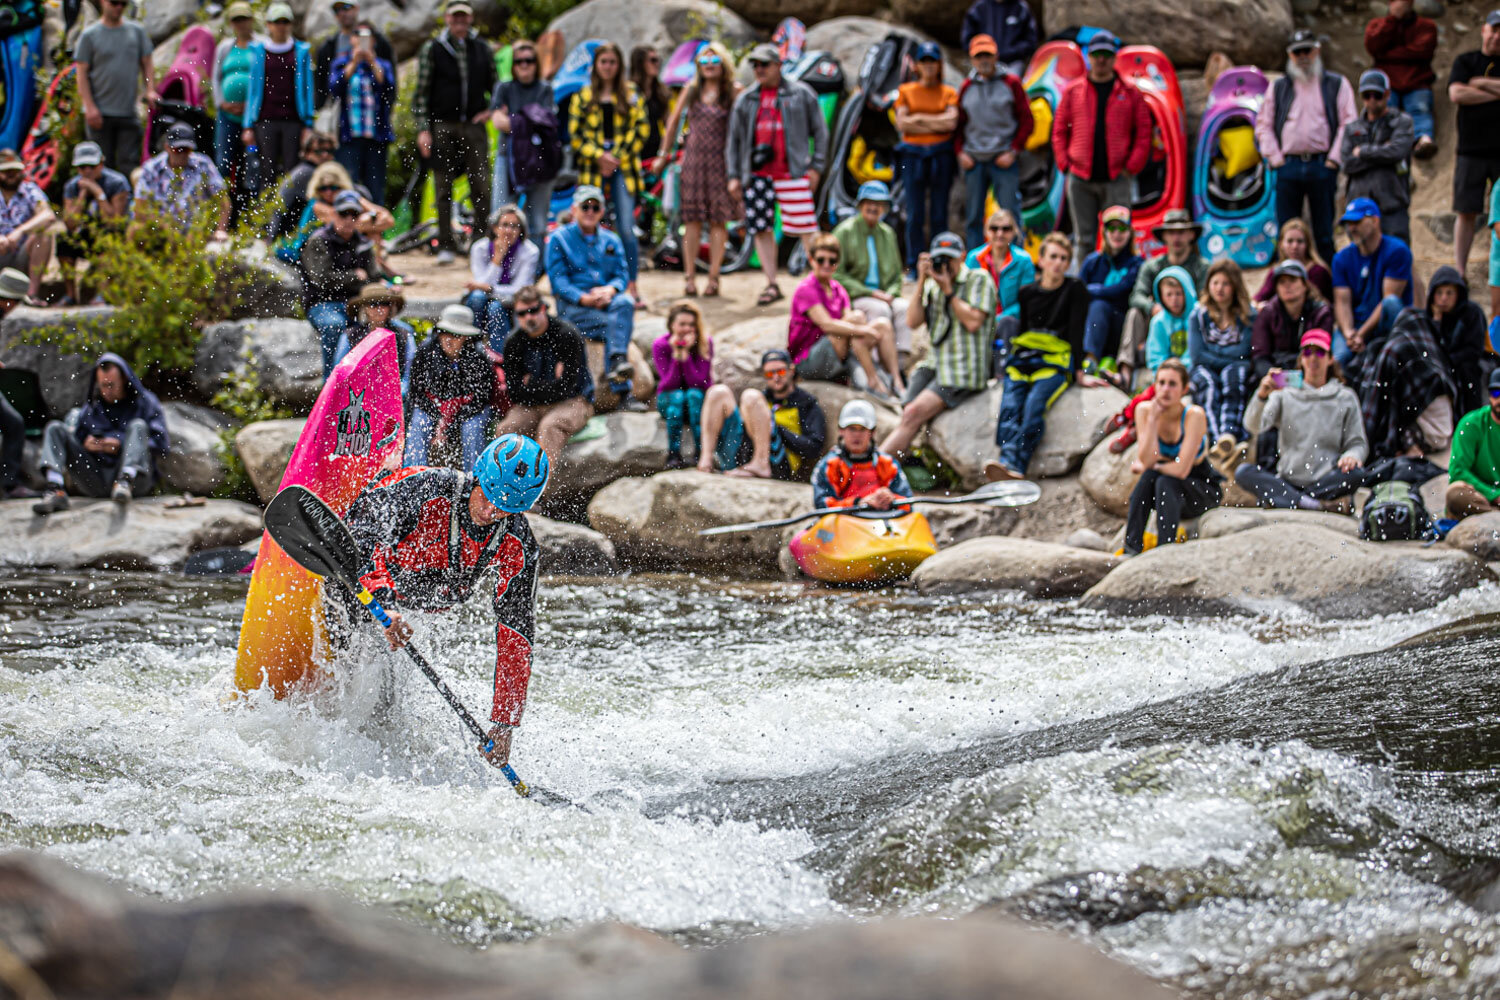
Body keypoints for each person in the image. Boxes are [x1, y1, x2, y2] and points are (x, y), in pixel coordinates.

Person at [342, 433, 547, 768]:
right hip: (368, 589)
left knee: (381, 705)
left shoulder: (518, 543)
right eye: (489, 496)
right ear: (479, 475)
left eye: (506, 507)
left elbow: (517, 636)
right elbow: (362, 529)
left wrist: (505, 723)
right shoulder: (425, 486)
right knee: (352, 665)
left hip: (421, 605)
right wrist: (382, 602)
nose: (492, 509)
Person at [726, 42, 828, 307]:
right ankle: (772, 283)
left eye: (764, 64)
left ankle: (821, 283)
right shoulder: (747, 98)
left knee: (806, 227)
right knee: (761, 228)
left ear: (778, 65)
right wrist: (734, 175)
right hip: (757, 174)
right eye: (755, 65)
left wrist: (816, 166)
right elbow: (734, 140)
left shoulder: (801, 93)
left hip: (792, 172)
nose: (759, 69)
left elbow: (820, 132)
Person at [880, 231, 997, 457]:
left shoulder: (979, 279)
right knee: (906, 411)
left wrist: (948, 291)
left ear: (962, 257)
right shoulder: (932, 284)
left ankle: (871, 469)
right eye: (939, 258)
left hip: (963, 370)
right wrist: (922, 281)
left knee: (913, 413)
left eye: (949, 259)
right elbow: (912, 321)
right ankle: (902, 462)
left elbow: (973, 322)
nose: (945, 265)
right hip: (934, 365)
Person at [987, 232, 1090, 481]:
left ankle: (1018, 464)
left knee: (1034, 406)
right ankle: (1006, 460)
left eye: (1064, 259)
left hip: (1055, 361)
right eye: (1053, 257)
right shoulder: (1027, 293)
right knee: (1011, 404)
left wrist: (1078, 371)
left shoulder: (1075, 290)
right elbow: (1023, 332)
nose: (1058, 263)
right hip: (1024, 360)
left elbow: (1076, 332)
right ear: (1041, 260)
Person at [1235, 328, 1369, 513]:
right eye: (1307, 352)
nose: (1313, 358)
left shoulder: (1345, 397)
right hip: (1288, 479)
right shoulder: (1283, 393)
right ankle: (1311, 503)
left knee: (1357, 474)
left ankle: (1290, 500)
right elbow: (1253, 426)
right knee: (1243, 472)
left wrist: (1351, 456)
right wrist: (1261, 396)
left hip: (1325, 481)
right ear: (1301, 359)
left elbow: (1358, 444)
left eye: (1320, 352)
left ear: (1330, 359)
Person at [1254, 29, 1357, 265]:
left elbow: (1348, 123)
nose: (1303, 56)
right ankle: (1287, 281)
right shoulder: (1279, 87)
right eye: (1297, 52)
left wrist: (1334, 160)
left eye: (1307, 50)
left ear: (1317, 51)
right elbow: (1263, 124)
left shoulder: (1335, 84)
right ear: (1289, 55)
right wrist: (1276, 158)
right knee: (1287, 235)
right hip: (1287, 166)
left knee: (1324, 233)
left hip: (1322, 164)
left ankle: (1331, 283)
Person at [1052, 31, 1151, 267]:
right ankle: (1084, 290)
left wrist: (1132, 166)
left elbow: (1144, 132)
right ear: (1089, 56)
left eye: (1107, 54)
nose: (1102, 60)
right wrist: (1065, 164)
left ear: (1114, 57)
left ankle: (1120, 284)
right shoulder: (1074, 91)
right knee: (1083, 238)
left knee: (1119, 237)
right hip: (1080, 177)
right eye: (1097, 54)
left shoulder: (1129, 92)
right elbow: (1059, 129)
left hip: (1117, 177)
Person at [32, 353, 169, 514]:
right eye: (103, 385)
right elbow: (75, 439)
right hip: (95, 479)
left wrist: (121, 444)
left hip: (135, 482)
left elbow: (161, 443)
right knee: (55, 428)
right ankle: (55, 489)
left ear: (125, 379)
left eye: (112, 385)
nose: (107, 390)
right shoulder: (92, 409)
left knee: (138, 426)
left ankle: (125, 480)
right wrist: (87, 443)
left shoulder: (146, 403)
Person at [413, 0, 496, 265]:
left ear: (470, 19)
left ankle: (480, 242)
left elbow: (495, 86)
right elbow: (421, 94)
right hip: (442, 124)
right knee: (442, 186)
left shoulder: (482, 49)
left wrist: (491, 111)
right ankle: (445, 243)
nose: (460, 21)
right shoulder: (434, 49)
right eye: (455, 16)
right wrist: (423, 129)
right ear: (448, 19)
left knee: (481, 183)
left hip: (474, 124)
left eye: (464, 17)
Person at [654, 42, 738, 298]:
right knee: (691, 219)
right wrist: (663, 155)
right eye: (704, 62)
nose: (709, 67)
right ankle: (689, 277)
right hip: (693, 161)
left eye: (715, 62)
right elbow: (672, 123)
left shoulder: (733, 91)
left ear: (723, 64)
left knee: (718, 220)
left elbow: (742, 128)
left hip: (721, 162)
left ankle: (713, 278)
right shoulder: (692, 90)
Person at [544, 184, 641, 407]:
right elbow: (558, 282)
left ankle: (617, 363)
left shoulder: (611, 239)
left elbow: (622, 275)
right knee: (615, 327)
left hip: (606, 302)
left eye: (595, 207)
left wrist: (611, 290)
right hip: (575, 308)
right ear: (574, 209)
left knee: (625, 301)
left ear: (601, 211)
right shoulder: (559, 239)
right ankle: (622, 389)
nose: (590, 211)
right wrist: (584, 298)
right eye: (585, 206)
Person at [1121, 358, 1220, 554]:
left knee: (1163, 480)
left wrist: (1154, 466)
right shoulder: (1145, 411)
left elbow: (1181, 470)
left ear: (1184, 390)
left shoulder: (1194, 415)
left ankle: (1165, 550)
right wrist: (1152, 421)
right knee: (1150, 479)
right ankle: (1131, 547)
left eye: (1173, 384)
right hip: (1168, 492)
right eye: (1162, 383)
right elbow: (1148, 460)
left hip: (1200, 489)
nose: (1166, 389)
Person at [569, 42, 647, 292]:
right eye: (604, 62)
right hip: (592, 167)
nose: (608, 67)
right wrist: (599, 156)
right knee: (587, 223)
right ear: (596, 65)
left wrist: (613, 157)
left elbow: (641, 130)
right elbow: (575, 135)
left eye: (613, 62)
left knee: (625, 227)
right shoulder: (583, 95)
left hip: (624, 167)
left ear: (619, 65)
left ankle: (631, 283)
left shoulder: (632, 93)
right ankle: (588, 281)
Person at [789, 232, 905, 399]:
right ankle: (873, 380)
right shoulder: (806, 289)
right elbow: (827, 325)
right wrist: (864, 331)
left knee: (883, 324)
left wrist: (863, 331)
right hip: (808, 361)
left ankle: (896, 380)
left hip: (838, 353)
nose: (826, 265)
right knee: (857, 321)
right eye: (821, 260)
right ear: (811, 259)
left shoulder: (838, 288)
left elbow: (851, 324)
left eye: (832, 261)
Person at [497, 286, 594, 470]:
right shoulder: (513, 342)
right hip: (531, 405)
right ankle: (502, 490)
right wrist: (550, 385)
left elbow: (568, 388)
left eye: (533, 311)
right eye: (522, 313)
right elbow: (516, 393)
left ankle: (539, 494)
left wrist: (531, 383)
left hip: (574, 402)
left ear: (543, 308)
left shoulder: (567, 335)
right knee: (506, 429)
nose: (529, 317)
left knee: (549, 427)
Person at [698, 348, 826, 480]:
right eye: (770, 374)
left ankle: (760, 464)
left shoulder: (806, 404)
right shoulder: (762, 399)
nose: (776, 377)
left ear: (791, 371)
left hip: (778, 464)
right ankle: (706, 459)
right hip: (743, 454)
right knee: (718, 392)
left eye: (780, 371)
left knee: (750, 396)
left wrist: (776, 429)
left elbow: (814, 448)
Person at [956, 33, 1033, 250]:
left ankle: (1017, 261)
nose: (983, 60)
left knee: (1011, 214)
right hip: (974, 160)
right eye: (979, 56)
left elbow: (1027, 121)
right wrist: (960, 152)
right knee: (973, 216)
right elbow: (958, 125)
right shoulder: (966, 87)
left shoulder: (1011, 83)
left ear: (996, 56)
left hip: (1003, 159)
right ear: (972, 59)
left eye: (987, 55)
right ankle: (974, 266)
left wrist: (1014, 151)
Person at [894, 42, 960, 276]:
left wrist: (918, 118)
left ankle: (939, 261)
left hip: (941, 154)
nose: (929, 66)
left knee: (939, 213)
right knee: (915, 213)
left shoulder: (948, 91)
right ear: (917, 65)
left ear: (939, 64)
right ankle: (914, 264)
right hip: (912, 155)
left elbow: (951, 123)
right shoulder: (906, 91)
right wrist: (935, 120)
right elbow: (902, 123)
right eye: (925, 61)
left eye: (933, 61)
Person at [1122, 212, 1207, 390]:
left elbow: (1205, 299)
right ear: (1164, 236)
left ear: (1191, 235)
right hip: (1159, 323)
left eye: (1181, 232)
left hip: (1189, 323)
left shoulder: (1203, 267)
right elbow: (1136, 296)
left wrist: (1184, 307)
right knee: (1134, 314)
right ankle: (1125, 371)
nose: (1176, 237)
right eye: (1171, 232)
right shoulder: (1151, 266)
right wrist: (1153, 307)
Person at [406, 304, 496, 473]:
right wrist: (438, 416)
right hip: (431, 406)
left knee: (473, 428)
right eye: (444, 332)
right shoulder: (425, 353)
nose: (449, 339)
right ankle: (412, 476)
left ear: (467, 337)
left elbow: (481, 398)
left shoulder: (479, 358)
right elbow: (416, 392)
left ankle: (475, 479)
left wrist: (454, 420)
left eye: (455, 334)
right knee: (420, 423)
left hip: (468, 411)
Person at [488, 37, 558, 251]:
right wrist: (527, 120)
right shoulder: (504, 88)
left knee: (537, 221)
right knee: (501, 215)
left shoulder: (545, 88)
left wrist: (514, 121)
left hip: (540, 159)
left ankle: (531, 276)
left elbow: (545, 122)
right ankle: (498, 269)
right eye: (519, 61)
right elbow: (498, 121)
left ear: (536, 63)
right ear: (513, 65)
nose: (524, 65)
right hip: (507, 158)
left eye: (529, 60)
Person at [302, 190, 383, 374]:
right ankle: (331, 386)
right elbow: (321, 280)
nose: (348, 219)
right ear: (334, 214)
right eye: (343, 213)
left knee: (381, 327)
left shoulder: (363, 243)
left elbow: (373, 279)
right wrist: (354, 276)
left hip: (355, 306)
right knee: (334, 326)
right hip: (323, 305)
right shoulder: (319, 240)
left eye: (353, 214)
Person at [833, 181, 914, 363]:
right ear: (861, 205)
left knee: (903, 308)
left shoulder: (887, 233)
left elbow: (896, 274)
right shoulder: (844, 232)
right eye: (869, 202)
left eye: (879, 204)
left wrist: (891, 293)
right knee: (880, 309)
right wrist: (871, 293)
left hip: (884, 294)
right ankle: (877, 362)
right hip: (857, 295)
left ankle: (901, 363)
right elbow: (837, 275)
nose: (873, 207)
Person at [73, 0, 155, 175]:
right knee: (101, 168)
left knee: (129, 165)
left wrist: (150, 89)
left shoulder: (136, 31)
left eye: (123, 4)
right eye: (114, 3)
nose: (119, 7)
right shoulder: (89, 35)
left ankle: (129, 201)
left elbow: (147, 63)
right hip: (99, 113)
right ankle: (100, 202)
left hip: (128, 112)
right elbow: (81, 74)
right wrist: (89, 107)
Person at [1330, 196, 1412, 371]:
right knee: (1337, 361)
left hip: (1387, 324)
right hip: (1356, 327)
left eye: (1357, 222)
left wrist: (1362, 334)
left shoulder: (1397, 251)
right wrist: (1349, 333)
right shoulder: (1341, 259)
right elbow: (1342, 302)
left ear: (1375, 221)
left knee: (1391, 303)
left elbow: (1389, 301)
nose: (1352, 228)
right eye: (1348, 223)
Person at [1447, 10, 1500, 275]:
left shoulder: (1477, 73)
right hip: (1470, 150)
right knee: (1465, 211)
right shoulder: (1466, 61)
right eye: (1494, 29)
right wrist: (1495, 90)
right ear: (1484, 30)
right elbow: (1456, 93)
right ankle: (1460, 270)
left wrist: (1480, 84)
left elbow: (1467, 91)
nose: (1497, 36)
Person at [1341, 69, 1415, 247]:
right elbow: (1347, 163)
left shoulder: (1402, 122)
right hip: (1359, 209)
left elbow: (1397, 152)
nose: (1372, 99)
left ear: (1387, 94)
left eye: (1377, 94)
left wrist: (1364, 152)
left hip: (1392, 206)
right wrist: (1383, 152)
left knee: (1398, 260)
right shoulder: (1352, 128)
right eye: (1367, 95)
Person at [240, 3, 315, 179]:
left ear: (290, 24)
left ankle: (290, 206)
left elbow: (307, 89)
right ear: (268, 25)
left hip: (293, 119)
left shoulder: (301, 51)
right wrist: (247, 125)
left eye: (285, 22)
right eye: (276, 22)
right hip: (265, 118)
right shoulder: (259, 51)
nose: (281, 26)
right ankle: (266, 206)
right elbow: (252, 91)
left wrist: (309, 124)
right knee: (266, 169)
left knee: (292, 170)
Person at [1187, 258, 1255, 446]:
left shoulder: (1248, 315)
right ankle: (1215, 439)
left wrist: (1214, 353)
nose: (1220, 288)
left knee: (1233, 379)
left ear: (1235, 286)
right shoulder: (1198, 316)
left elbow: (1244, 351)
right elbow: (1197, 355)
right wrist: (1229, 356)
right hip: (1203, 368)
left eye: (1225, 283)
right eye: (1215, 283)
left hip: (1233, 368)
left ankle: (1230, 434)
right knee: (1208, 386)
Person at [328, 24, 395, 205]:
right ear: (352, 39)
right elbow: (335, 88)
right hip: (349, 136)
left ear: (373, 40)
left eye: (367, 35)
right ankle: (349, 227)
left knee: (375, 186)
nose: (361, 38)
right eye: (357, 34)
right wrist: (354, 63)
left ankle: (374, 229)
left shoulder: (383, 64)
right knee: (349, 185)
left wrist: (372, 62)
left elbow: (389, 88)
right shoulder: (341, 62)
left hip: (376, 136)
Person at [58, 141, 130, 305]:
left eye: (92, 165)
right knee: (63, 240)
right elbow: (70, 224)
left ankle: (102, 295)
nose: (88, 171)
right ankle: (71, 295)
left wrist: (98, 193)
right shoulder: (72, 186)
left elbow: (114, 222)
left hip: (111, 235)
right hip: (86, 234)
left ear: (101, 163)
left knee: (108, 237)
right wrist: (82, 196)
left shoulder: (117, 182)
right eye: (83, 167)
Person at [1365, 0, 1438, 159]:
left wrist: (1386, 54)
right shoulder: (1377, 25)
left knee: (1420, 109)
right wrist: (1392, 20)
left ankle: (1423, 140)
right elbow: (1373, 47)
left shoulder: (1426, 26)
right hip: (1388, 83)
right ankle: (1384, 141)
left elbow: (1422, 52)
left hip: (1417, 81)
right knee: (1384, 108)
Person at [1078, 204, 1141, 385]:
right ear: (1104, 232)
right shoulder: (1092, 262)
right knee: (1094, 308)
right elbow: (1077, 294)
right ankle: (1090, 360)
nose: (1116, 233)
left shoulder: (1136, 263)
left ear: (1130, 232)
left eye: (1122, 228)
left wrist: (1093, 290)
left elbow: (1123, 289)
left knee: (1100, 305)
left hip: (1119, 327)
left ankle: (1098, 360)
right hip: (1091, 327)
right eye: (1111, 228)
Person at [131, 124, 230, 239]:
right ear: (167, 147)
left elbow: (223, 200)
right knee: (136, 230)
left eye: (187, 150)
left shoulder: (203, 164)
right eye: (178, 150)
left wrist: (221, 230)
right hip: (161, 229)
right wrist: (164, 226)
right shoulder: (152, 168)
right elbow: (140, 208)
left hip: (196, 229)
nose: (182, 154)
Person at [813, 399, 913, 510]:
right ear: (841, 431)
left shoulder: (887, 463)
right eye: (852, 429)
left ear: (872, 432)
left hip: (881, 522)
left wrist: (892, 499)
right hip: (846, 523)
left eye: (862, 429)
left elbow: (908, 503)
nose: (857, 435)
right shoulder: (830, 465)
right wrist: (857, 503)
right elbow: (822, 505)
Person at [465, 205, 540, 352]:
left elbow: (520, 290)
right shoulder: (479, 248)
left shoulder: (530, 251)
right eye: (504, 225)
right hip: (484, 299)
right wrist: (497, 259)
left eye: (514, 226)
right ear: (494, 228)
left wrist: (491, 289)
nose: (508, 231)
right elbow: (481, 284)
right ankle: (472, 347)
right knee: (477, 297)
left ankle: (499, 357)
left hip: (512, 301)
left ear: (521, 231)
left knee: (495, 308)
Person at [212, 1, 260, 218]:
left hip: (254, 119)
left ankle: (252, 213)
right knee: (224, 161)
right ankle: (221, 213)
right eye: (236, 20)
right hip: (227, 115)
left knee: (253, 162)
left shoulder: (261, 45)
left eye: (244, 19)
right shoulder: (225, 46)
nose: (241, 24)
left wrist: (251, 107)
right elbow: (216, 76)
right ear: (231, 23)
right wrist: (221, 102)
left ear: (252, 20)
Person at [653, 301, 714, 469]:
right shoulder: (661, 345)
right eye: (682, 324)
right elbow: (669, 383)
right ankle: (673, 454)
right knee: (678, 396)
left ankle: (701, 452)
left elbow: (700, 382)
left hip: (697, 403)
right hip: (671, 401)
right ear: (672, 325)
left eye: (691, 324)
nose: (687, 329)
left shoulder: (704, 343)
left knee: (693, 394)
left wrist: (685, 355)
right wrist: (676, 354)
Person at [1425, 265, 1493, 415]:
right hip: (1441, 365)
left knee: (1468, 372)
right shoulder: (1429, 316)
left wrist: (1448, 361)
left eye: (1449, 293)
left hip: (1470, 364)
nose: (1444, 298)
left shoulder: (1472, 312)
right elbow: (1430, 347)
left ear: (1458, 294)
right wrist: (1437, 321)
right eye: (1439, 293)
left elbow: (1474, 349)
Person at [1252, 259, 1334, 381]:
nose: (1287, 286)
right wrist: (1277, 379)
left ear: (1305, 284)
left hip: (1313, 375)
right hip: (1275, 376)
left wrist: (1299, 381)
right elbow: (1260, 356)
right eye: (1281, 282)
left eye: (1292, 280)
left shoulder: (1321, 313)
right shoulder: (1267, 313)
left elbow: (1320, 353)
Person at [332, 283, 417, 395]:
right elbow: (340, 370)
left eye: (384, 304)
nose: (379, 309)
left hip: (395, 395)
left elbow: (410, 369)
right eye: (373, 304)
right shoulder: (350, 335)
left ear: (390, 308)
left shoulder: (404, 335)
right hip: (358, 396)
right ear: (365, 308)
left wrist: (399, 392)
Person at [963, 207, 1033, 338]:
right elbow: (963, 293)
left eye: (1006, 229)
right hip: (977, 319)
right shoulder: (974, 258)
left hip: (1010, 322)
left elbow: (1026, 302)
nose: (999, 234)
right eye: (994, 228)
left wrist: (997, 320)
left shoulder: (1024, 260)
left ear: (1014, 232)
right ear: (986, 231)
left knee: (1007, 324)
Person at [313, 0, 396, 110]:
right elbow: (324, 83)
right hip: (341, 109)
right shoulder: (328, 47)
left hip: (375, 106)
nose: (342, 13)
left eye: (346, 7)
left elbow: (389, 80)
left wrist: (389, 105)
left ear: (356, 9)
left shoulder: (380, 42)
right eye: (338, 10)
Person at [0, 149, 56, 304]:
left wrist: (19, 232)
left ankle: (32, 294)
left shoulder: (30, 189)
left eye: (15, 171)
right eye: (6, 171)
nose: (11, 175)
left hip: (21, 253)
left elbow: (48, 215)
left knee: (45, 233)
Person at [1446, 368, 1500, 518]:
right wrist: (1494, 495)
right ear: (1489, 395)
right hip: (1479, 496)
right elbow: (1458, 471)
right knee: (1456, 494)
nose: (1499, 399)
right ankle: (1492, 516)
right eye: (1496, 393)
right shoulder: (1472, 424)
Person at [271, 131, 335, 239]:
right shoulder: (307, 172)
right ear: (307, 153)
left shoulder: (309, 170)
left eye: (329, 151)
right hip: (288, 236)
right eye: (319, 151)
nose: (325, 155)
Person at [1252, 218, 1333, 303]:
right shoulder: (1276, 272)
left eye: (1300, 241)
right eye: (1290, 241)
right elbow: (1258, 299)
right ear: (1281, 244)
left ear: (1308, 244)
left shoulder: (1319, 272)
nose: (1295, 246)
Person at [959, 0, 1039, 75]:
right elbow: (967, 39)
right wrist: (982, 53)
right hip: (984, 62)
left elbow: (1030, 41)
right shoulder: (979, 8)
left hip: (1012, 63)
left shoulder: (1020, 8)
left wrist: (1009, 53)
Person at [1146, 265, 1197, 374]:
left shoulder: (1198, 315)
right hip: (1167, 374)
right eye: (1169, 294)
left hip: (1194, 370)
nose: (1174, 299)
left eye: (1178, 293)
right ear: (1161, 296)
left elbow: (1199, 352)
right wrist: (1167, 372)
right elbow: (1155, 357)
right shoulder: (1158, 322)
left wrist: (1181, 369)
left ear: (1187, 293)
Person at [630, 45, 671, 175]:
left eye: (658, 60)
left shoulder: (660, 92)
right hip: (634, 152)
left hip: (655, 152)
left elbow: (668, 123)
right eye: (652, 60)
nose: (657, 64)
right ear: (640, 63)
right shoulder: (629, 91)